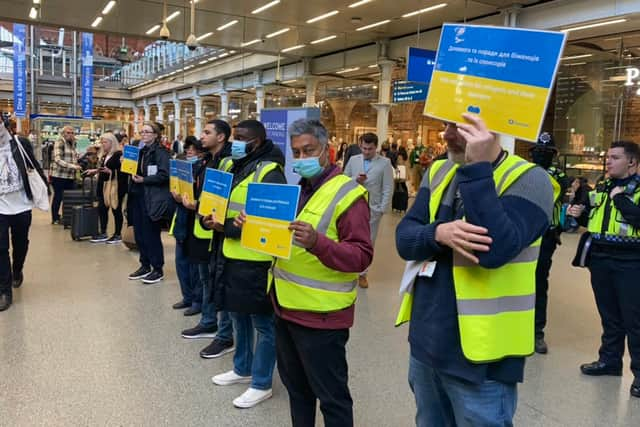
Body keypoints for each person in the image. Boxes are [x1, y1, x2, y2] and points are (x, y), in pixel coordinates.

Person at [395, 114, 553, 426]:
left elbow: (495, 250)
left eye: (458, 126)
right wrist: (438, 233)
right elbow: (404, 239)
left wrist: (478, 169)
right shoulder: (439, 171)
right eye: (445, 125)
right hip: (427, 345)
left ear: (491, 128)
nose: (447, 135)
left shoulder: (532, 180)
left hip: (484, 360)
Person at [265, 118, 373, 426]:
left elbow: (361, 257)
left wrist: (317, 243)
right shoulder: (299, 191)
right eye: (296, 153)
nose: (301, 159)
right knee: (297, 391)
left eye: (308, 151)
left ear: (329, 150)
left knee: (332, 398)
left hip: (322, 319)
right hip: (285, 309)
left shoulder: (348, 194)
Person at [209, 120, 286, 408]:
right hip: (230, 254)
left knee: (263, 324)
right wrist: (210, 217)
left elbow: (272, 221)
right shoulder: (233, 165)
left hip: (256, 261)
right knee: (238, 316)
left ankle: (262, 382)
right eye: (233, 137)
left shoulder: (270, 172)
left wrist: (226, 227)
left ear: (256, 141)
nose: (234, 142)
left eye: (240, 138)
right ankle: (242, 368)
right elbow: (220, 203)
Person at [567, 140, 640, 398]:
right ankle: (610, 361)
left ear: (631, 161)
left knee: (635, 319)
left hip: (631, 260)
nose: (608, 161)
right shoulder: (603, 185)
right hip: (601, 257)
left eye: (615, 157)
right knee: (609, 315)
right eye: (607, 157)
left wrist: (621, 199)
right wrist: (581, 214)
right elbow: (599, 219)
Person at [181, 121, 236, 361]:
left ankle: (222, 332)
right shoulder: (207, 161)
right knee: (205, 277)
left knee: (216, 280)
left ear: (221, 137)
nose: (201, 136)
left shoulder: (229, 162)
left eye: (207, 132)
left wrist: (199, 205)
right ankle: (208, 319)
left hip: (219, 231)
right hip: (202, 227)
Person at [0, 120, 48, 311]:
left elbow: (34, 165)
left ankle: (17, 268)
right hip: (0, 208)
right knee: (1, 248)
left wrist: (45, 187)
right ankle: (4, 290)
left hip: (21, 205)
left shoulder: (19, 143)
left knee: (20, 243)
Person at [529, 132, 570, 354]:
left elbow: (552, 192)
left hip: (546, 236)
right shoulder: (523, 170)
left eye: (546, 152)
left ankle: (537, 333)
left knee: (539, 284)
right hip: (523, 234)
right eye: (538, 151)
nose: (541, 155)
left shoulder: (559, 176)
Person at [344, 132, 394, 288]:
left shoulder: (385, 163)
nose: (366, 152)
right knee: (348, 237)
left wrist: (381, 209)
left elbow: (388, 187)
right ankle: (348, 268)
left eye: (370, 149)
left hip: (372, 208)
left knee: (368, 242)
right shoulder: (353, 160)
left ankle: (362, 274)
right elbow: (343, 180)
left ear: (376, 148)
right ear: (360, 146)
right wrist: (355, 180)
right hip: (352, 206)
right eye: (364, 148)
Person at [127, 121, 172, 284]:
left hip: (151, 197)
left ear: (155, 134)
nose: (144, 135)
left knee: (150, 234)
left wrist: (145, 179)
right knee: (139, 233)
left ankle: (157, 268)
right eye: (142, 132)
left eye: (147, 132)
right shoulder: (141, 151)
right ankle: (144, 265)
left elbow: (165, 175)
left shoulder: (161, 153)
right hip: (137, 195)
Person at [170, 136, 207, 317]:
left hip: (197, 222)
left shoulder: (206, 169)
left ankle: (197, 301)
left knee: (195, 266)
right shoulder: (182, 167)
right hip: (182, 221)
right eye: (188, 150)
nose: (189, 153)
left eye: (193, 150)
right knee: (181, 262)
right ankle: (187, 296)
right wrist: (176, 195)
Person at [85, 133, 128, 244]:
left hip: (115, 186)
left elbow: (124, 171)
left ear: (112, 142)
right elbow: (104, 167)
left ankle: (117, 234)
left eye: (105, 142)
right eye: (102, 142)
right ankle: (103, 232)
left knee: (116, 209)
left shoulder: (119, 155)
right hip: (103, 185)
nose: (103, 144)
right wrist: (95, 171)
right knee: (102, 209)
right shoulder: (105, 154)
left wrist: (111, 172)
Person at [50, 125, 81, 225]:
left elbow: (72, 157)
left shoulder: (72, 143)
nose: (70, 134)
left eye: (72, 133)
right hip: (59, 175)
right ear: (63, 133)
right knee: (58, 197)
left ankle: (65, 217)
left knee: (67, 198)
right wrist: (72, 166)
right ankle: (55, 218)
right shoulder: (60, 142)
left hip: (69, 176)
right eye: (68, 132)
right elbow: (57, 159)